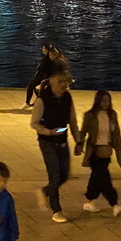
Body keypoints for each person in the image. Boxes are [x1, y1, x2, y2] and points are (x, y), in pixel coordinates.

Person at [30, 71, 81, 223]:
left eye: (65, 82)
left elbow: (72, 120)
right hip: (47, 142)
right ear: (52, 82)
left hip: (62, 140)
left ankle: (44, 191)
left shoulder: (67, 98)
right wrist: (47, 131)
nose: (63, 85)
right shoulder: (42, 100)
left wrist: (79, 141)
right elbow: (34, 123)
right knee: (55, 175)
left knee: (65, 174)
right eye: (60, 82)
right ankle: (57, 210)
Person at [77, 90, 121, 216]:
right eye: (103, 100)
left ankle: (90, 200)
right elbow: (83, 132)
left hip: (106, 150)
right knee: (104, 178)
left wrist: (118, 148)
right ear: (98, 101)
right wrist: (79, 144)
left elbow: (116, 132)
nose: (106, 103)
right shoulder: (90, 116)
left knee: (96, 177)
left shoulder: (112, 115)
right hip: (95, 151)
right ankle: (114, 204)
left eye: (108, 101)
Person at [24, 44, 53, 108]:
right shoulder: (48, 57)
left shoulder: (48, 58)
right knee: (34, 87)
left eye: (43, 48)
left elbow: (43, 68)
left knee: (31, 86)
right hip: (42, 75)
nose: (42, 50)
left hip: (43, 76)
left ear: (46, 49)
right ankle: (39, 101)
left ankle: (29, 102)